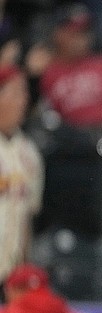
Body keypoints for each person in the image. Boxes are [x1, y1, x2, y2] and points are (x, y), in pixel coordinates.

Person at [0, 65, 43, 283]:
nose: (23, 101)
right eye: (16, 93)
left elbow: (27, 219)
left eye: (25, 93)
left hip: (10, 276)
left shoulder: (29, 152)